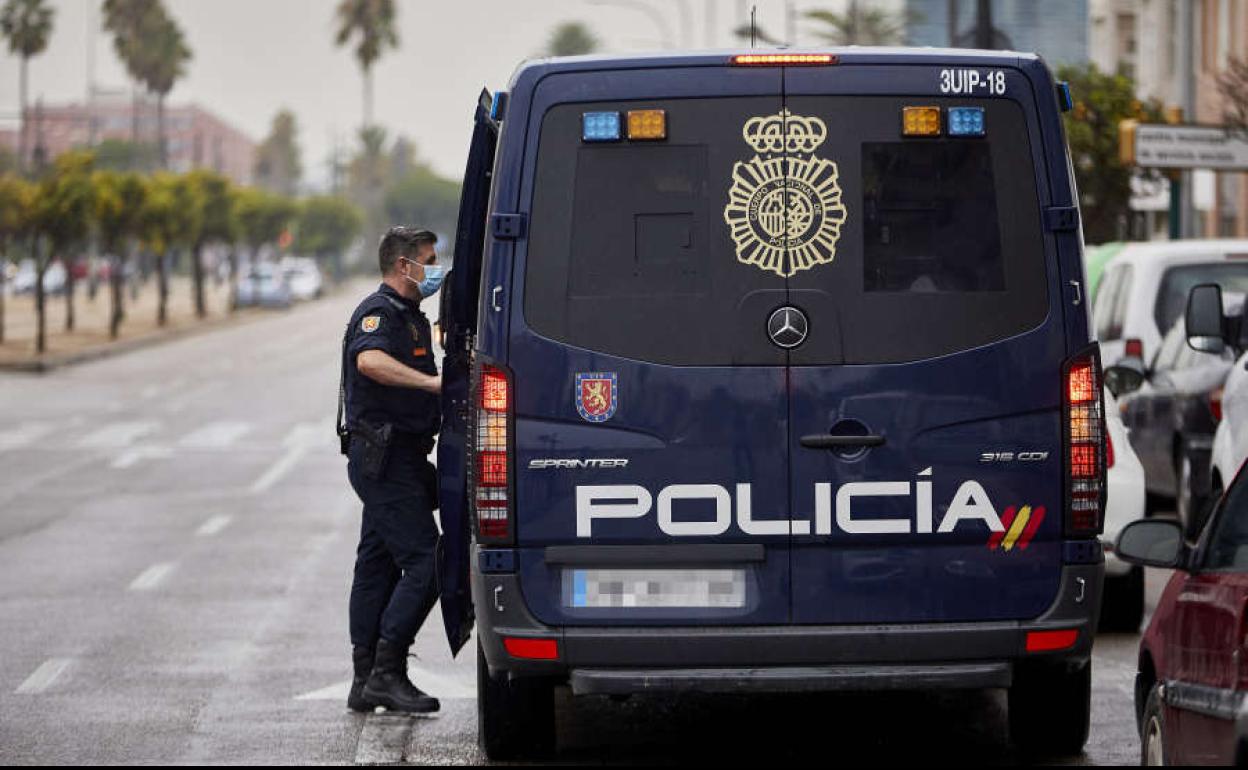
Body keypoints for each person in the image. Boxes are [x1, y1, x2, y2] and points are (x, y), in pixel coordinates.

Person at [339, 226, 447, 714]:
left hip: (396, 456)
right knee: (429, 562)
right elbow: (370, 362)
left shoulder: (408, 315)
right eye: (428, 259)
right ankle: (386, 671)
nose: (434, 267)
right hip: (383, 459)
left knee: (377, 564)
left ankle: (365, 679)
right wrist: (430, 385)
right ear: (405, 266)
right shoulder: (379, 313)